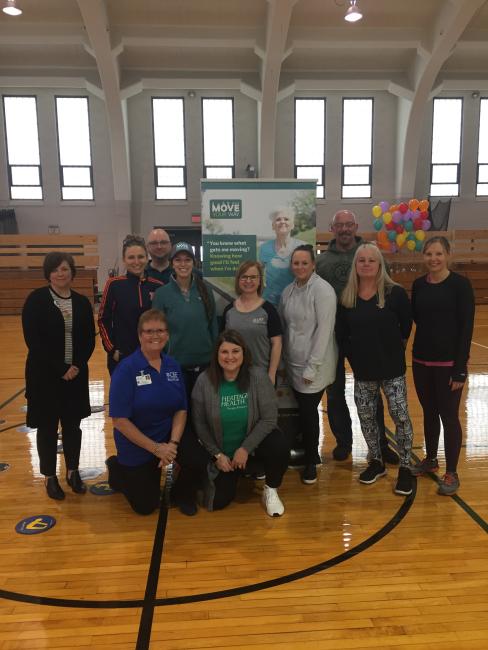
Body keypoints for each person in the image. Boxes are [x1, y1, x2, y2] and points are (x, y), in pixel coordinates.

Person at [316, 209, 398, 464]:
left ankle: (382, 445)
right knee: (335, 392)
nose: (344, 229)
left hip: (364, 335)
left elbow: (387, 289)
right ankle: (343, 441)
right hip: (331, 336)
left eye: (348, 224)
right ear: (332, 228)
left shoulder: (370, 254)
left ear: (356, 226)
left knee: (371, 391)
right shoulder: (322, 263)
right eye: (339, 225)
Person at [337, 243, 414, 496]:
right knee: (368, 419)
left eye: (372, 260)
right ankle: (377, 462)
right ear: (355, 266)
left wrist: (391, 350)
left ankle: (405, 467)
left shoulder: (395, 293)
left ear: (380, 264)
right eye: (362, 260)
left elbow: (405, 327)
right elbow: (343, 335)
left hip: (393, 371)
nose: (366, 264)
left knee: (400, 417)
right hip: (363, 373)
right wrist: (356, 359)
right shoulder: (347, 297)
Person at [191, 330, 290, 516]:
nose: (230, 357)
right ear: (216, 355)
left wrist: (245, 448)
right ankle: (234, 473)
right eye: (224, 352)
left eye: (235, 351)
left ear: (244, 353)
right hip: (224, 454)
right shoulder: (204, 381)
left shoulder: (258, 377)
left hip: (250, 449)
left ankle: (271, 489)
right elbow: (200, 425)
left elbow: (269, 418)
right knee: (218, 502)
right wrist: (217, 455)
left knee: (279, 445)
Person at [21, 252, 95, 500]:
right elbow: (34, 341)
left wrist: (75, 365)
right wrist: (60, 368)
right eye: (55, 270)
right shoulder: (36, 300)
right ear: (48, 274)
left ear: (72, 272)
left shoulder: (82, 302)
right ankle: (50, 477)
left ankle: (73, 472)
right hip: (45, 378)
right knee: (47, 428)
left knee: (73, 426)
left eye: (65, 269)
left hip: (75, 376)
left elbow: (87, 339)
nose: (61, 274)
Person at [106, 310, 191, 515]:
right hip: (137, 443)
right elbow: (119, 420)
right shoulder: (126, 369)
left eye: (160, 330)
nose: (155, 336)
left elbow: (181, 408)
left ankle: (182, 492)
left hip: (167, 438)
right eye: (149, 331)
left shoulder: (173, 365)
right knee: (145, 506)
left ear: (167, 334)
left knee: (195, 458)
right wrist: (156, 449)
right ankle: (117, 468)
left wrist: (173, 444)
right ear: (139, 335)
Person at [410, 236, 475, 496]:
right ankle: (431, 460)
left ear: (448, 254)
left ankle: (452, 472)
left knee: (448, 416)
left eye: (438, 254)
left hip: (449, 364)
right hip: (421, 361)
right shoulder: (418, 285)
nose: (433, 259)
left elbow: (466, 328)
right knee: (428, 412)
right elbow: (417, 318)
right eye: (428, 254)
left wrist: (460, 368)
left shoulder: (460, 285)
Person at [279, 244, 337, 485]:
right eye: (296, 263)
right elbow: (285, 328)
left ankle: (312, 460)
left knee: (308, 413)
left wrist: (312, 368)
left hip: (316, 366)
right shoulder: (288, 292)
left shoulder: (323, 291)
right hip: (293, 363)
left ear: (313, 264)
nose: (300, 267)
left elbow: (324, 332)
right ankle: (304, 455)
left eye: (305, 262)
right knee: (303, 412)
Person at [152, 241, 218, 397]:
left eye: (187, 260)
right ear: (171, 263)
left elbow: (213, 326)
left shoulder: (205, 290)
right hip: (174, 364)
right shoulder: (162, 294)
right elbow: (156, 330)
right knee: (179, 410)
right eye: (178, 260)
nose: (183, 264)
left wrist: (214, 357)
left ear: (194, 263)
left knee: (202, 412)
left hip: (205, 364)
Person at [98, 235, 162, 375]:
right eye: (131, 257)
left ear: (147, 258)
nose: (136, 261)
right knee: (123, 396)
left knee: (149, 396)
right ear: (124, 260)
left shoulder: (157, 286)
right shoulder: (114, 284)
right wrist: (112, 349)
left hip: (151, 356)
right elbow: (103, 319)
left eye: (140, 257)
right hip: (122, 356)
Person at [222, 260, 282, 385]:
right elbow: (223, 345)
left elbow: (277, 343)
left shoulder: (268, 310)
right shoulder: (229, 311)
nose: (248, 281)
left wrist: (271, 374)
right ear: (238, 280)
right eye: (244, 277)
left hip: (262, 377)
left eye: (253, 277)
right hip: (235, 376)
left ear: (260, 280)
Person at [259, 207, 306, 306]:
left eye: (286, 219)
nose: (282, 222)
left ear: (292, 225)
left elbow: (310, 277)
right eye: (278, 219)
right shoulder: (264, 248)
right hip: (270, 303)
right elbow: (258, 273)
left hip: (295, 303)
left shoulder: (303, 247)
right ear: (273, 226)